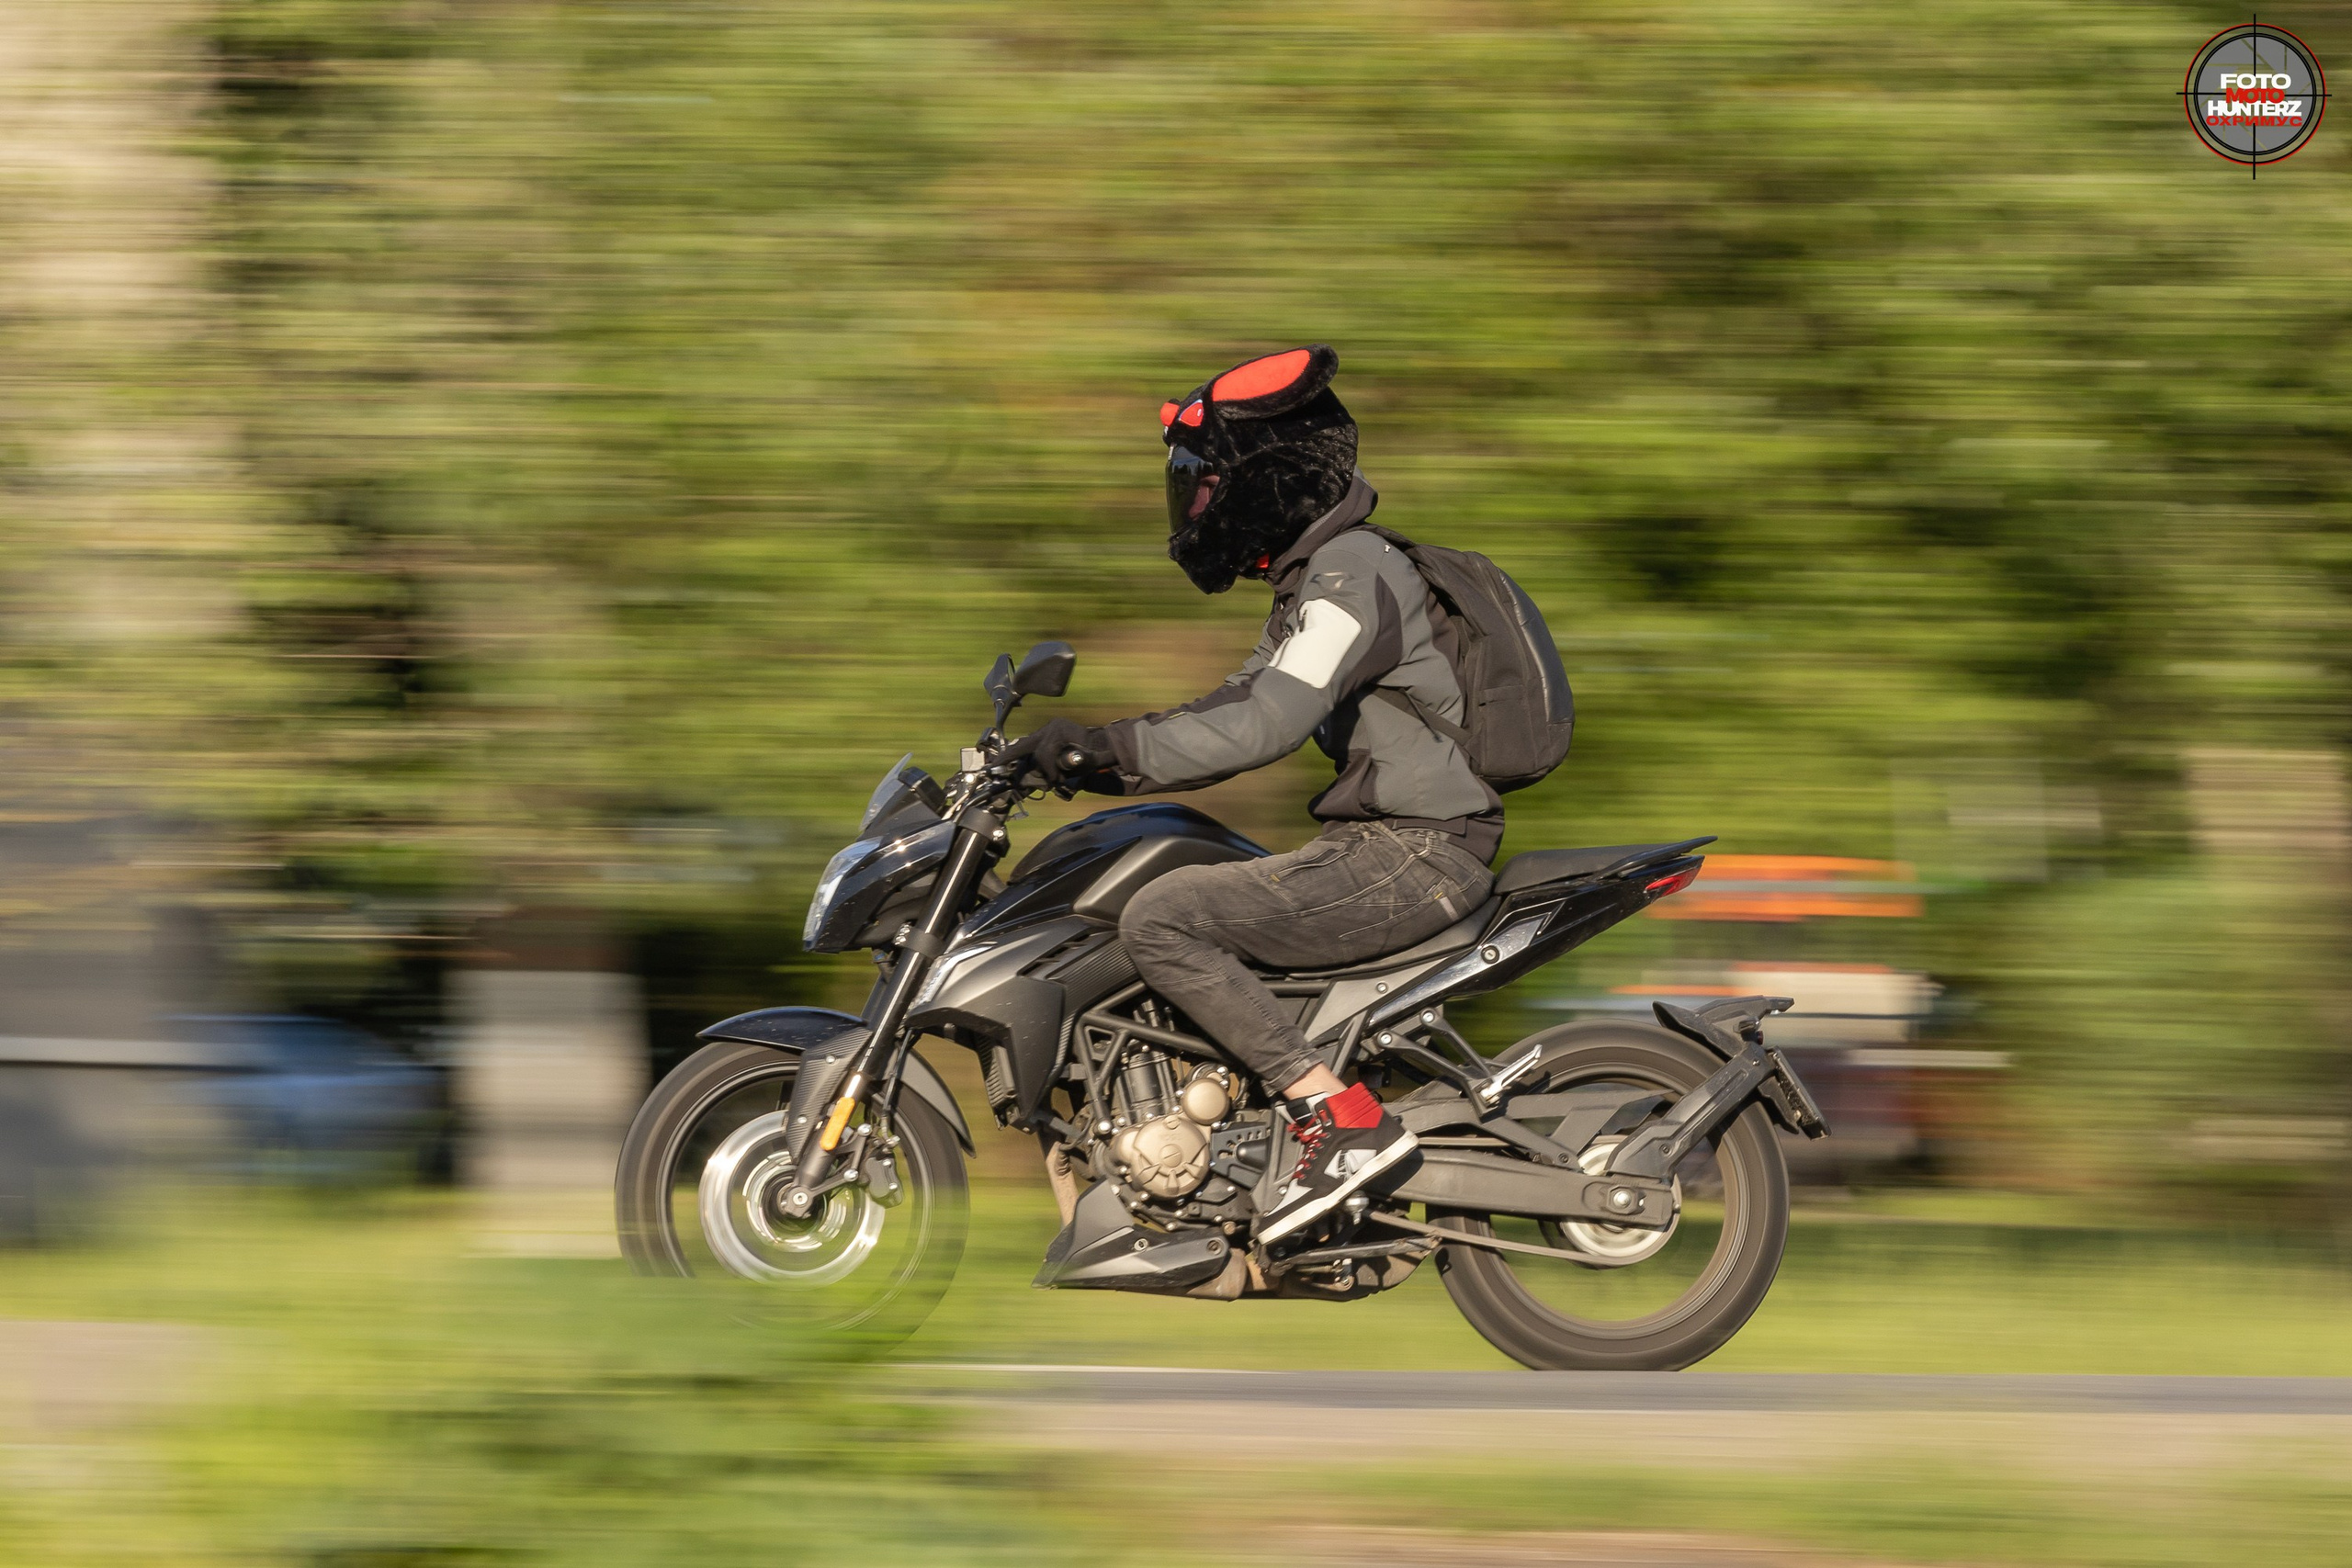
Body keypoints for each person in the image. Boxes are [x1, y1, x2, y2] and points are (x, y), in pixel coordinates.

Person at [999, 344, 1500, 1244]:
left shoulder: (1353, 572)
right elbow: (1235, 706)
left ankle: (1339, 1119)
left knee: (1162, 918)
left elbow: (1265, 722)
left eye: (1202, 480)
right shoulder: (1316, 586)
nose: (1193, 501)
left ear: (1264, 476)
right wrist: (1097, 760)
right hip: (1382, 849)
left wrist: (1106, 749)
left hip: (1413, 853)